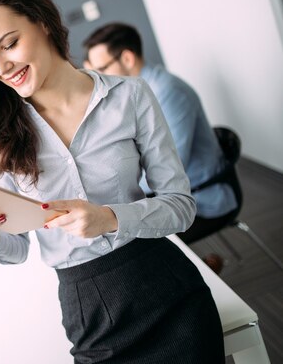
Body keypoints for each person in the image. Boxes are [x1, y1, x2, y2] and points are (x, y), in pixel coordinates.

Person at [0, 0, 224, 364]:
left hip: (166, 287)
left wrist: (110, 218)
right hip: (90, 311)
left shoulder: (130, 95)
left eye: (9, 44)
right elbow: (18, 250)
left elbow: (181, 208)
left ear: (42, 21)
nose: (2, 67)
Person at [82, 23, 238, 273]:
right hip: (177, 193)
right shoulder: (133, 97)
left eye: (101, 69)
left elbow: (171, 167)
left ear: (127, 58)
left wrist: (114, 196)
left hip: (204, 197)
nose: (98, 79)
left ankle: (195, 278)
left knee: (134, 247)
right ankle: (198, 269)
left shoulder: (169, 93)